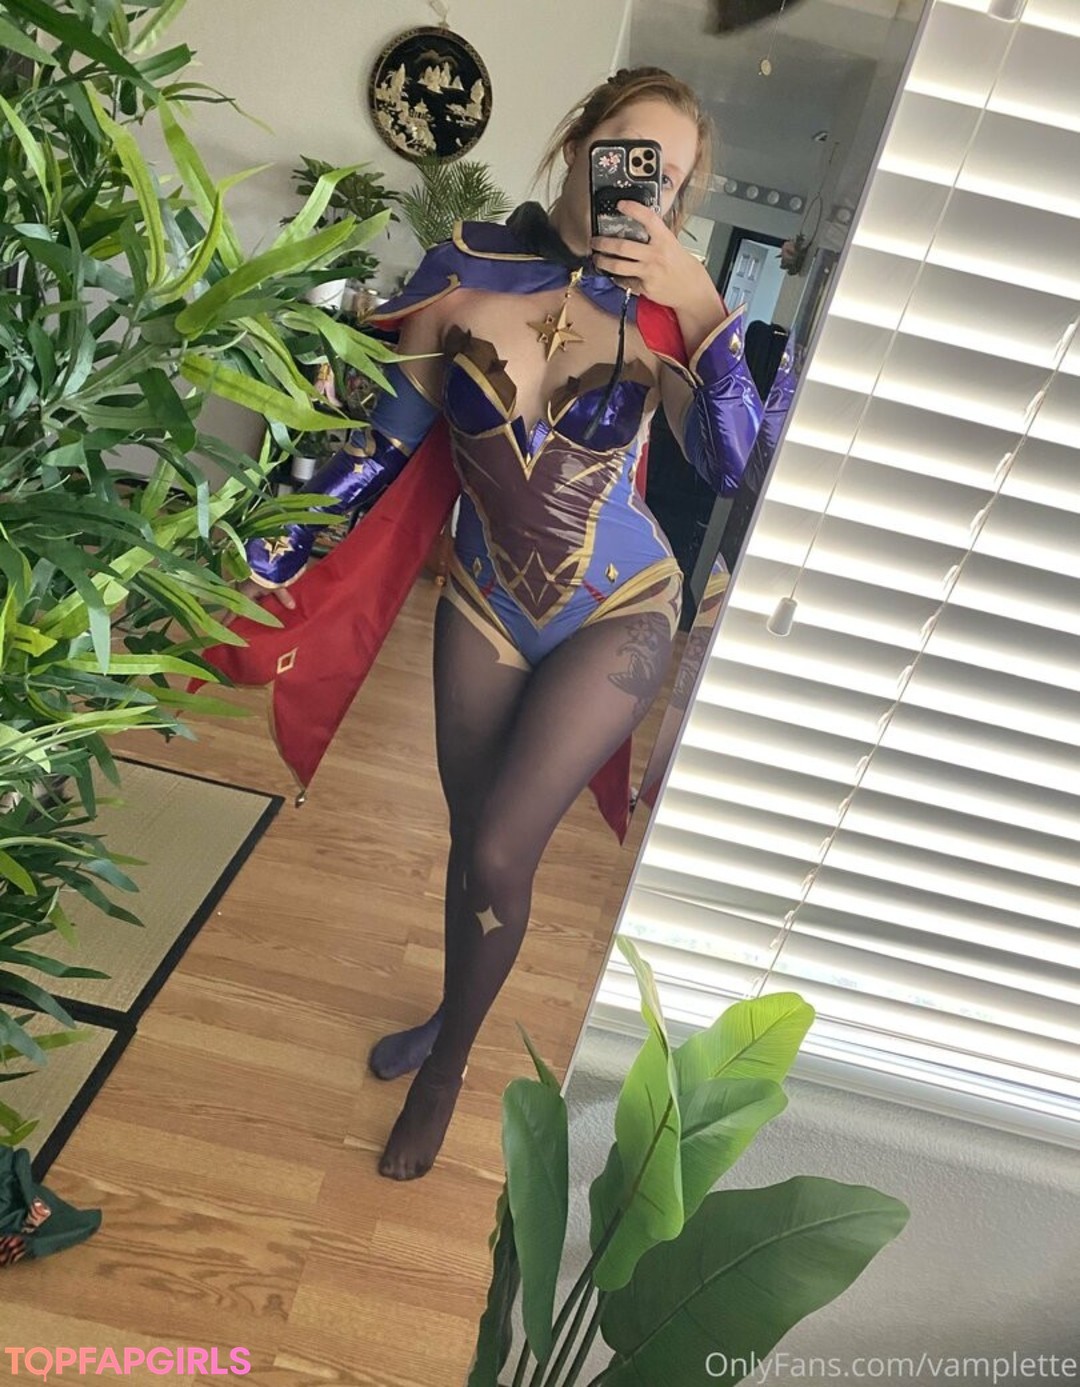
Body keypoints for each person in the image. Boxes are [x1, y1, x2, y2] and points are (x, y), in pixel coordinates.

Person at [234, 68, 771, 1180]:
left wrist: (704, 305)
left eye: (668, 180)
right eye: (627, 154)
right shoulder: (464, 268)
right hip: (483, 603)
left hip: (620, 606)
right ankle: (450, 1007)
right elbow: (373, 452)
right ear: (579, 141)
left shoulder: (670, 313)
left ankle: (447, 1070)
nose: (642, 189)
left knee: (498, 848)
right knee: (475, 834)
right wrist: (243, 564)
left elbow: (733, 464)